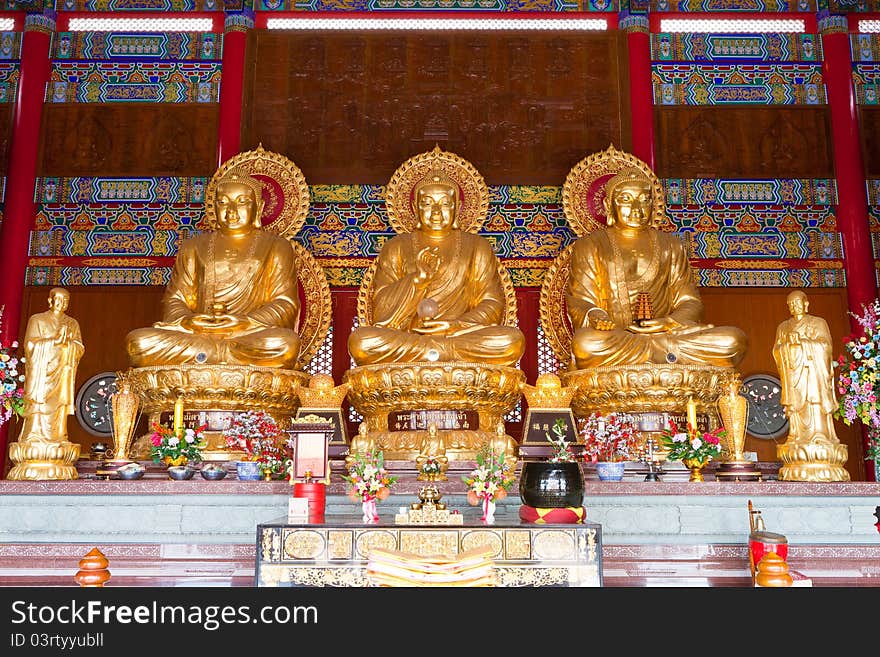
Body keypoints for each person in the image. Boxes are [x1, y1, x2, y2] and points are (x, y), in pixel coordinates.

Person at [566, 168, 747, 369]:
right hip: (617, 339)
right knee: (585, 344)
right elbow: (581, 300)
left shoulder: (671, 245)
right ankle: (663, 356)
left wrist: (670, 322)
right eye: (626, 199)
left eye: (644, 199)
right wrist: (594, 314)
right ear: (609, 205)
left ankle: (655, 353)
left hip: (667, 336)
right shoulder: (591, 245)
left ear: (654, 204)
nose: (636, 208)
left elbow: (690, 302)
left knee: (733, 341)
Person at [126, 170, 301, 368]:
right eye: (223, 202)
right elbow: (176, 299)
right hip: (199, 334)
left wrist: (244, 322)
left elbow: (285, 304)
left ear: (258, 208)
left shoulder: (276, 246)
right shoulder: (194, 246)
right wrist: (189, 321)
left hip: (247, 334)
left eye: (242, 201)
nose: (232, 211)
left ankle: (209, 356)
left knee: (286, 345)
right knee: (139, 343)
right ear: (213, 207)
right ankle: (221, 356)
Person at [348, 171, 525, 366]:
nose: (436, 212)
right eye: (428, 203)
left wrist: (452, 327)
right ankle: (442, 354)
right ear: (415, 208)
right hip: (411, 337)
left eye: (444, 203)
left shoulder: (477, 246)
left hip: (457, 338)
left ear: (457, 207)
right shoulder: (397, 246)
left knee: (512, 341)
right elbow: (381, 312)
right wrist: (418, 280)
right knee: (361, 342)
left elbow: (492, 305)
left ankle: (439, 351)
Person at [17, 287, 84, 444]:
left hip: (62, 371)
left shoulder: (72, 323)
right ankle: (34, 435)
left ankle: (59, 436)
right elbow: (30, 346)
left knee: (59, 403)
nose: (62, 303)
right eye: (58, 299)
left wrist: (68, 344)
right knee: (39, 403)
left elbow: (79, 347)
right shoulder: (37, 320)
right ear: (50, 301)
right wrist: (54, 342)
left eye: (65, 300)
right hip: (41, 373)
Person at [772, 290, 839, 443]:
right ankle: (796, 435)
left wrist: (803, 343)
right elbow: (776, 350)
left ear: (806, 304)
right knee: (795, 405)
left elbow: (826, 346)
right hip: (793, 374)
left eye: (797, 303)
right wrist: (788, 345)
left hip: (813, 375)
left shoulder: (818, 323)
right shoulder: (783, 327)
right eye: (790, 304)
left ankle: (820, 434)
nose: (794, 306)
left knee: (814, 401)